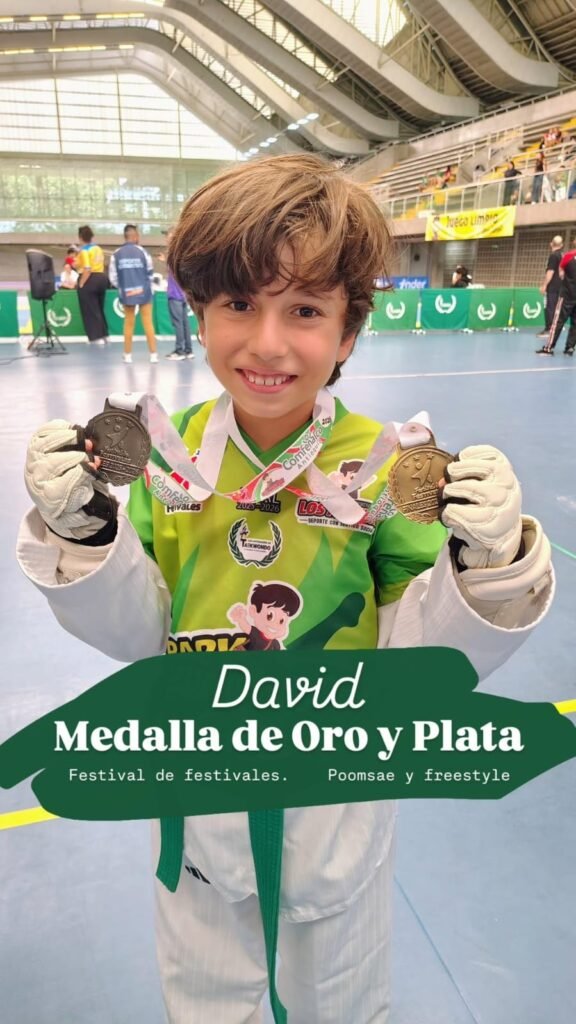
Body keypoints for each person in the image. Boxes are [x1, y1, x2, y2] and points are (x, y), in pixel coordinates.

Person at [18, 154, 553, 1024]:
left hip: (337, 799)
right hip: (196, 791)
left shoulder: (389, 468)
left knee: (344, 1005)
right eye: (239, 303)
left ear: (348, 334)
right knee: (203, 1005)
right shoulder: (164, 459)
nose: (267, 343)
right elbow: (141, 633)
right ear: (199, 312)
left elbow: (422, 663)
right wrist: (85, 539)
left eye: (304, 310)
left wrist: (488, 571)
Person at [108, 224, 158, 364]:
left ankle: (128, 355)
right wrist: (146, 287)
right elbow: (150, 272)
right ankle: (153, 355)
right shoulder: (143, 252)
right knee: (148, 323)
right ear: (135, 237)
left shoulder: (116, 254)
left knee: (128, 323)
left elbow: (112, 277)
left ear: (125, 236)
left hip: (127, 293)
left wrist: (123, 287)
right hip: (144, 293)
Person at [536, 239, 576, 356]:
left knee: (558, 321)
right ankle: (570, 348)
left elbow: (561, 273)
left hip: (567, 295)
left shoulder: (568, 256)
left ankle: (548, 348)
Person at [162, 227, 195, 360]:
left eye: (168, 237)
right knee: (184, 323)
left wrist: (166, 259)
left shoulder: (174, 254)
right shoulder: (182, 253)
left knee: (179, 323)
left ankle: (180, 351)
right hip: (182, 294)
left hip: (175, 294)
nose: (166, 239)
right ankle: (188, 350)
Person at [75, 225, 109, 345]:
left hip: (90, 279)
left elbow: (87, 269)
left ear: (80, 237)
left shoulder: (84, 251)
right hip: (102, 278)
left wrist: (81, 283)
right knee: (99, 308)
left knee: (89, 309)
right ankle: (104, 335)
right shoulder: (98, 248)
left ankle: (95, 338)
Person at [536, 235, 563, 341]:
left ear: (551, 244)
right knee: (556, 308)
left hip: (552, 287)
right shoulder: (562, 255)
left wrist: (544, 285)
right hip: (561, 286)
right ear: (561, 245)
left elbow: (550, 272)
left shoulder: (553, 256)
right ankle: (555, 328)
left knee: (549, 307)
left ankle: (549, 330)